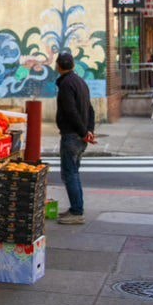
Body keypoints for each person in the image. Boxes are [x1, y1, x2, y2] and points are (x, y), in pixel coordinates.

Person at [54, 52, 95, 225]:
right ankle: (75, 208)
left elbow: (71, 111)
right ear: (73, 65)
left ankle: (77, 211)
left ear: (58, 66)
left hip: (72, 135)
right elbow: (90, 110)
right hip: (80, 135)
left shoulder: (66, 85)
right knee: (74, 172)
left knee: (70, 173)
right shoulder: (81, 82)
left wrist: (84, 132)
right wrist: (89, 130)